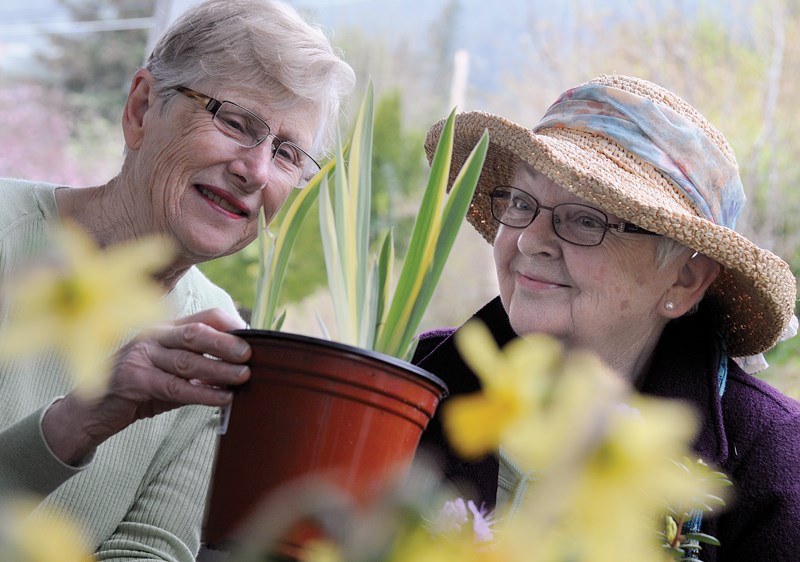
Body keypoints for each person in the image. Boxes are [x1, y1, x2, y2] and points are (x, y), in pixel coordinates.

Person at [0, 0, 354, 559]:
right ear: (142, 109)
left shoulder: (216, 347)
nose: (255, 170)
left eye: (287, 153)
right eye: (237, 122)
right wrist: (75, 422)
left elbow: (149, 552)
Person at [413, 74, 800, 561]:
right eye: (520, 202)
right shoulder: (419, 380)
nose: (531, 239)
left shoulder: (770, 459)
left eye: (585, 219)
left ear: (684, 279)